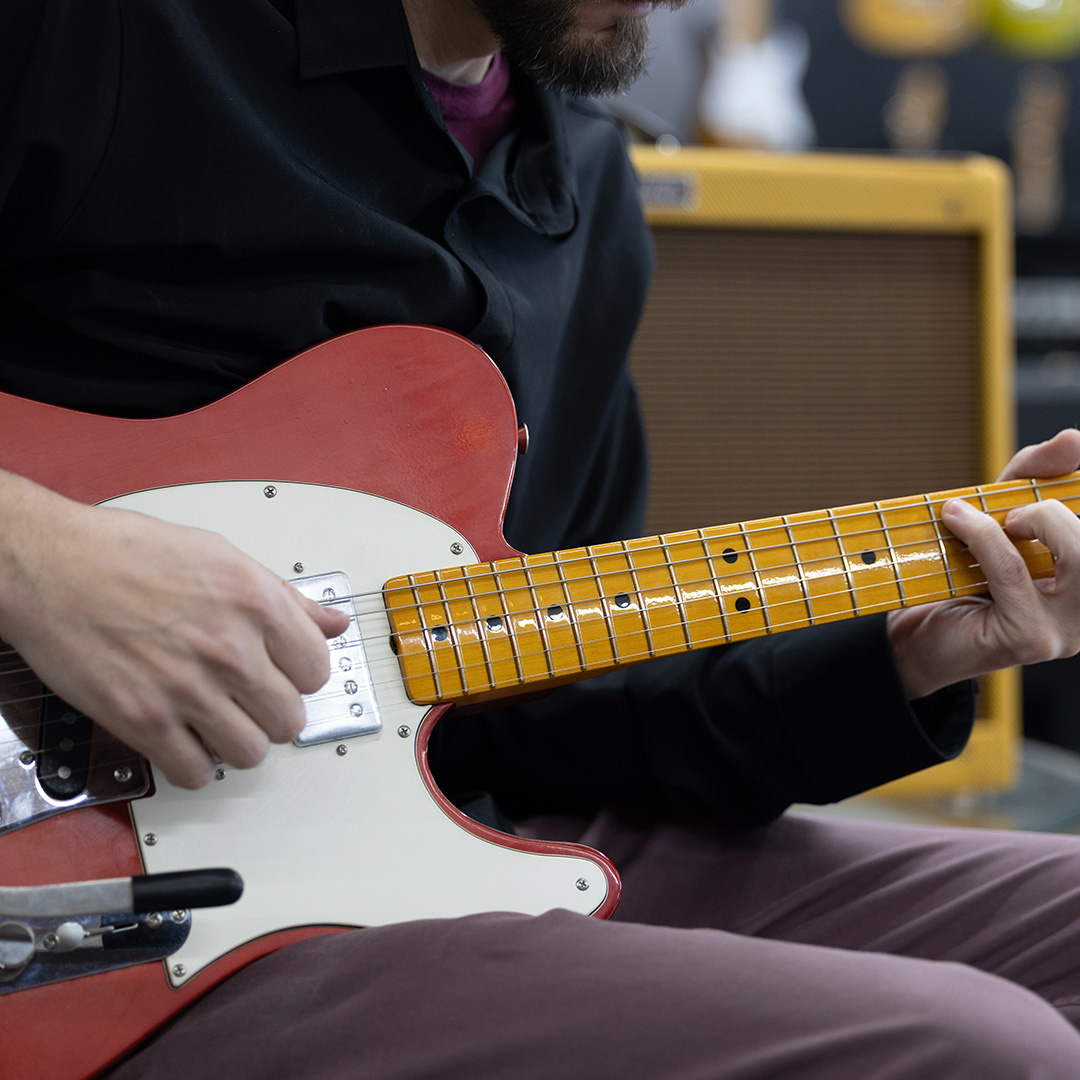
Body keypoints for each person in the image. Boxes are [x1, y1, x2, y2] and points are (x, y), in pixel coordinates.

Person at [3, 1, 1080, 1077]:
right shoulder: (101, 35)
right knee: (979, 1049)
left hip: (445, 841)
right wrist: (43, 558)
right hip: (119, 952)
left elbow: (542, 723)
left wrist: (905, 648)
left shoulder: (587, 181)